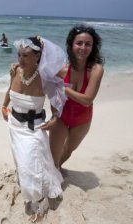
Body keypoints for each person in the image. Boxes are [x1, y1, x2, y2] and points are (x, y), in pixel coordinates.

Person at [2, 36, 66, 222]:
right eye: (19, 54)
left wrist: (54, 118)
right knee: (21, 160)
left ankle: (40, 202)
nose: (21, 59)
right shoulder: (15, 71)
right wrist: (4, 107)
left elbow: (55, 102)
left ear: (38, 56)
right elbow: (8, 91)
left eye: (26, 55)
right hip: (14, 124)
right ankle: (29, 185)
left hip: (34, 127)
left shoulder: (46, 77)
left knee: (32, 162)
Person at [49, 25, 104, 170]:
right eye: (79, 43)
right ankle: (53, 175)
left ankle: (58, 169)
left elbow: (87, 100)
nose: (83, 47)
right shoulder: (62, 70)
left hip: (82, 119)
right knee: (53, 154)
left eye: (88, 44)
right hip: (61, 115)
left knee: (68, 150)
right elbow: (42, 78)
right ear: (71, 45)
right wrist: (19, 67)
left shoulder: (96, 70)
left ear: (93, 48)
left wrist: (64, 88)